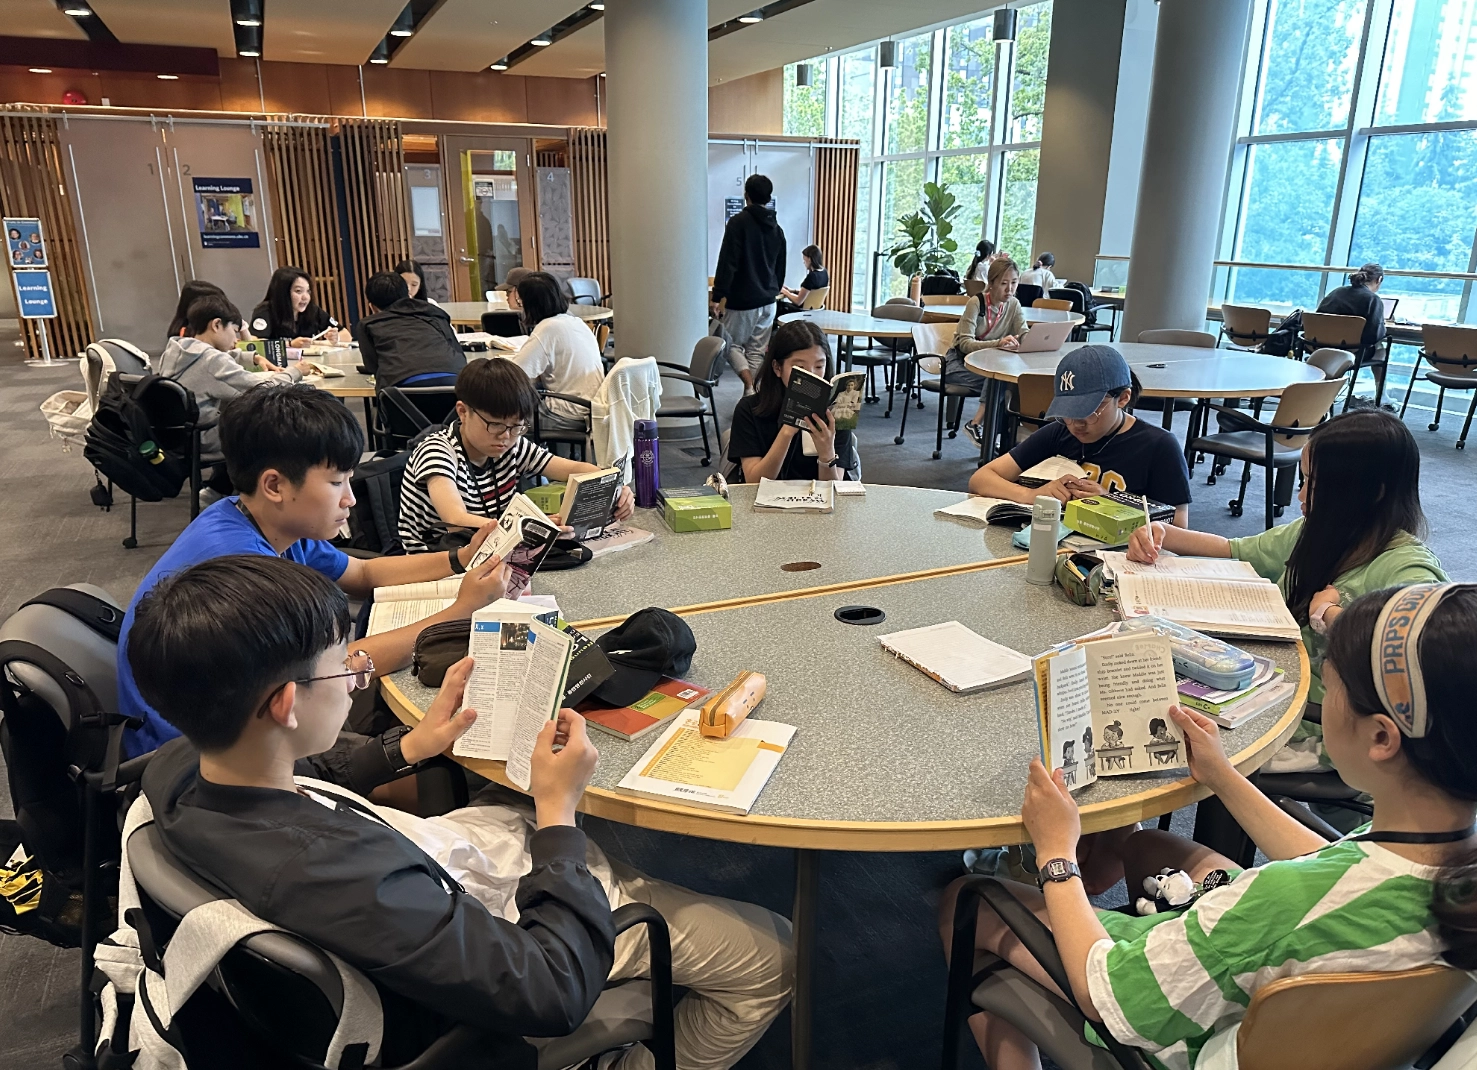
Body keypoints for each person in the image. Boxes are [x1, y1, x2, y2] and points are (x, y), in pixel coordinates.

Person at [133, 554, 795, 1070]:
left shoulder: (179, 767)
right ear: (285, 705)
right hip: (497, 964)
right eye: (344, 667)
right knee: (774, 955)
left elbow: (307, 774)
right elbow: (551, 990)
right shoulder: (343, 877)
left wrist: (410, 747)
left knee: (503, 795)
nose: (358, 678)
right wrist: (557, 814)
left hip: (417, 879)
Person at [940, 582, 1477, 1070]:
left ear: (1381, 738)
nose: (1326, 698)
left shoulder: (1277, 904)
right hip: (1316, 1025)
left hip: (1177, 1031)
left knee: (965, 898)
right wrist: (1222, 776)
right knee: (1149, 847)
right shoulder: (1446, 860)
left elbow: (1109, 993)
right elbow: (1335, 870)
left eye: (1331, 688)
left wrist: (1055, 852)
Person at [118, 383, 513, 759]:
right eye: (337, 482)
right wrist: (460, 611)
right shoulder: (245, 573)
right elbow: (333, 671)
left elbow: (362, 574)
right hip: (201, 757)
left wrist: (460, 558)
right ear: (275, 485)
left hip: (244, 724)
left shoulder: (258, 517)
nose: (350, 499)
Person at [1128, 409, 1445, 769]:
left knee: (1164, 737)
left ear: (1372, 492)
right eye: (1304, 480)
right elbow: (1234, 549)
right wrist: (1164, 533)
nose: (1302, 496)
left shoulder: (1408, 570)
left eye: (1317, 486)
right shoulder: (1321, 531)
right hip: (1270, 689)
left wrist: (1333, 616)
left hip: (1328, 732)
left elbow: (1423, 665)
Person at [398, 357, 634, 553]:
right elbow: (455, 519)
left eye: (516, 426)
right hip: (435, 562)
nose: (506, 436)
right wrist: (530, 527)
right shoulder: (437, 452)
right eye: (495, 424)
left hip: (491, 551)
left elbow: (573, 469)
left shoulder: (512, 445)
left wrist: (616, 486)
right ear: (463, 412)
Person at [969, 345, 1193, 528]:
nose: (1077, 424)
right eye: (1068, 412)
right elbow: (981, 479)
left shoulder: (1159, 446)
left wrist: (1111, 505)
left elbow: (1179, 525)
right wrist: (1031, 495)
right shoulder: (1060, 431)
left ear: (1123, 398)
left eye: (1090, 411)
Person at [154, 294, 302, 458]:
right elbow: (261, 388)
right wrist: (295, 372)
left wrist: (252, 357)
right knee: (272, 424)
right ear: (216, 325)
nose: (236, 339)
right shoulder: (212, 361)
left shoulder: (175, 350)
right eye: (235, 331)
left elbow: (215, 360)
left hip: (175, 437)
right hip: (204, 437)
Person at [727, 319, 859, 483]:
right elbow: (754, 482)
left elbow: (833, 487)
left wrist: (826, 453)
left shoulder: (835, 411)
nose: (811, 375)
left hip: (818, 498)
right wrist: (787, 431)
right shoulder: (750, 409)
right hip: (767, 498)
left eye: (819, 367)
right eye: (800, 369)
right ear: (777, 368)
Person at [712, 173, 786, 395]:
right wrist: (773, 290)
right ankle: (752, 398)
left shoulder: (738, 223)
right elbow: (780, 267)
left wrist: (718, 295)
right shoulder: (777, 229)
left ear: (746, 195)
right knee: (756, 351)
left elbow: (728, 261)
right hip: (769, 301)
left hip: (743, 300)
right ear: (768, 198)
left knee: (728, 343)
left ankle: (748, 385)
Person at [505, 271, 604, 435]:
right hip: (590, 408)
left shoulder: (548, 329)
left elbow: (515, 375)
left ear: (529, 304)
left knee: (500, 418)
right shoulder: (575, 322)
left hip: (566, 414)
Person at [942, 256, 1028, 446]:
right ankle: (979, 426)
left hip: (987, 365)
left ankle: (992, 438)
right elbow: (965, 343)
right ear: (991, 283)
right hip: (959, 364)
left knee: (1005, 380)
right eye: (1004, 283)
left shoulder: (1013, 304)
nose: (1010, 289)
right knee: (999, 380)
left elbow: (1023, 331)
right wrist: (998, 343)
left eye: (1014, 282)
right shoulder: (976, 303)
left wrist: (1031, 340)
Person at [354, 270, 465, 389]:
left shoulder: (368, 325)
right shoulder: (435, 314)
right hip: (456, 383)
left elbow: (372, 366)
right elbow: (457, 351)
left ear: (372, 307)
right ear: (408, 295)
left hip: (400, 391)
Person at [1316, 262, 1387, 381]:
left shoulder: (1336, 292)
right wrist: (1382, 326)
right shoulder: (1373, 299)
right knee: (1381, 350)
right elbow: (1374, 337)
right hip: (1351, 351)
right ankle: (1381, 391)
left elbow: (1317, 319)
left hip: (1319, 348)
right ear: (1379, 280)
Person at [251, 266, 350, 347]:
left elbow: (346, 335)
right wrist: (290, 344)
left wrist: (336, 338)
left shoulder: (313, 310)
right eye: (298, 291)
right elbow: (254, 342)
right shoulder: (265, 311)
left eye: (308, 291)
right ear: (283, 293)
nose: (305, 297)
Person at [776, 245, 828, 315]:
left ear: (809, 259)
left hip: (803, 311)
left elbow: (798, 301)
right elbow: (811, 293)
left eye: (804, 260)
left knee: (778, 306)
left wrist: (785, 292)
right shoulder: (824, 273)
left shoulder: (812, 276)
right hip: (813, 310)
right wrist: (792, 291)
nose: (804, 263)